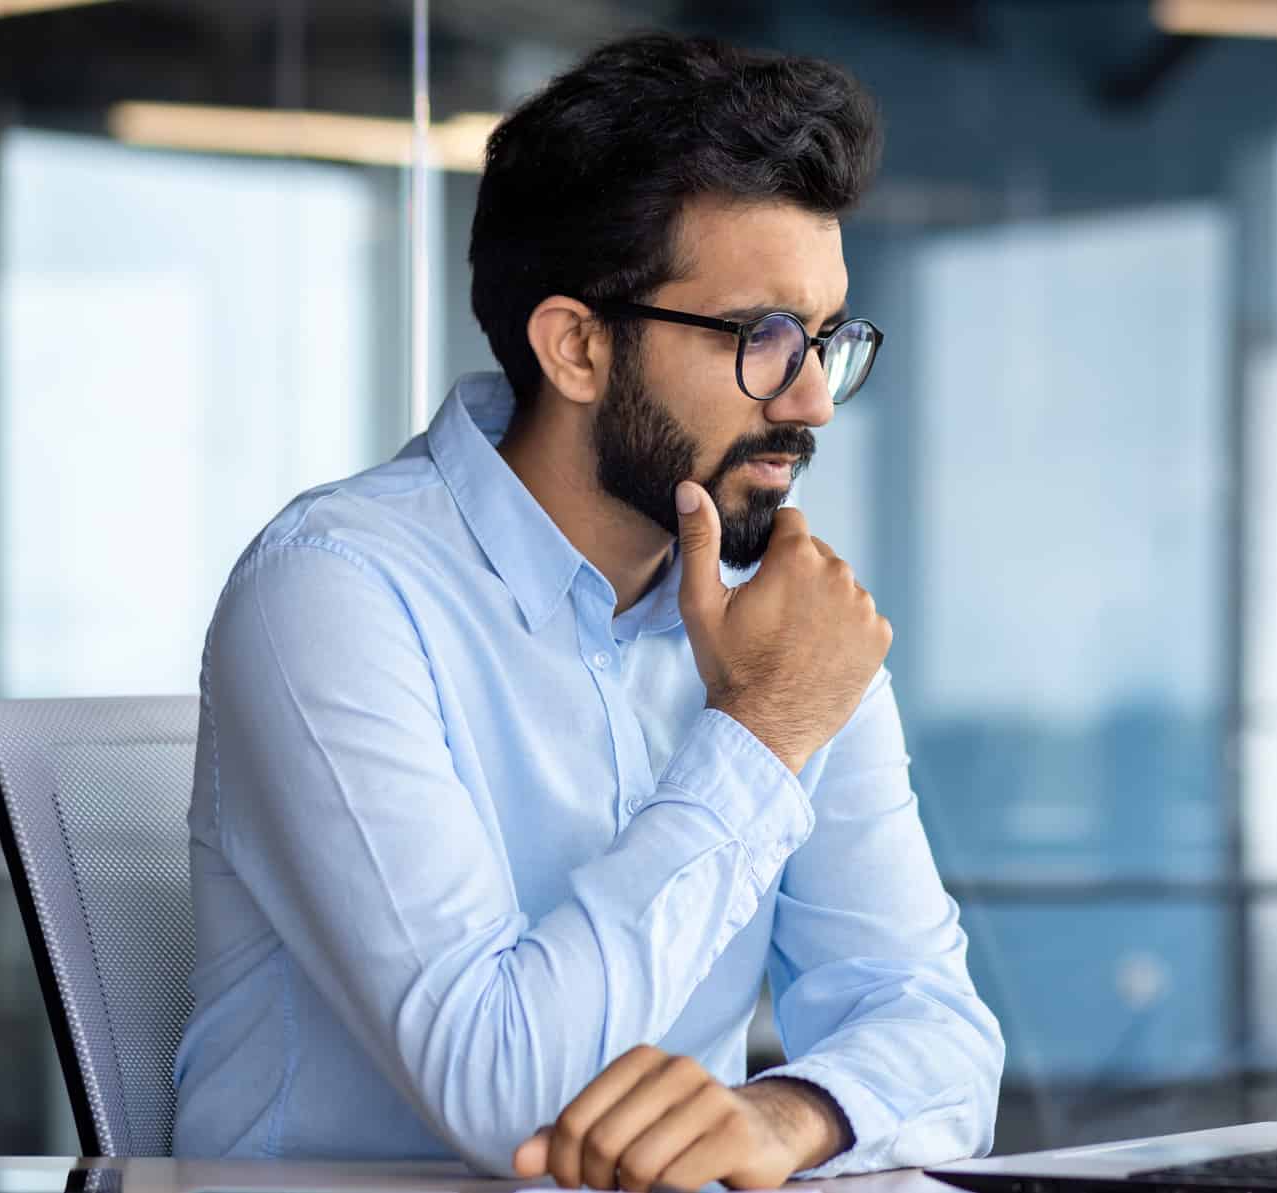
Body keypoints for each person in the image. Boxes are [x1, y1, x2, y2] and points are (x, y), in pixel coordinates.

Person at [170, 31, 1005, 1189]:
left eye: (822, 339)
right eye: (761, 338)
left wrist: (786, 1113)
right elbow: (505, 1094)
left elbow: (941, 1035)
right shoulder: (332, 591)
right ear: (575, 346)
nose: (812, 397)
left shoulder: (786, 623)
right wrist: (758, 732)